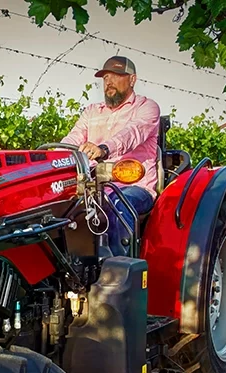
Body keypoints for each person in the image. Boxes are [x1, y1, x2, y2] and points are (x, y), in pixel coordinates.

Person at [61, 55, 161, 256]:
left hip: (134, 188)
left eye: (116, 76)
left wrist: (104, 149)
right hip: (92, 189)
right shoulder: (92, 111)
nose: (109, 82)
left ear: (132, 79)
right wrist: (53, 155)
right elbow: (73, 138)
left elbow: (132, 133)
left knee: (117, 204)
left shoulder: (146, 108)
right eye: (105, 78)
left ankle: (118, 268)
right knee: (57, 207)